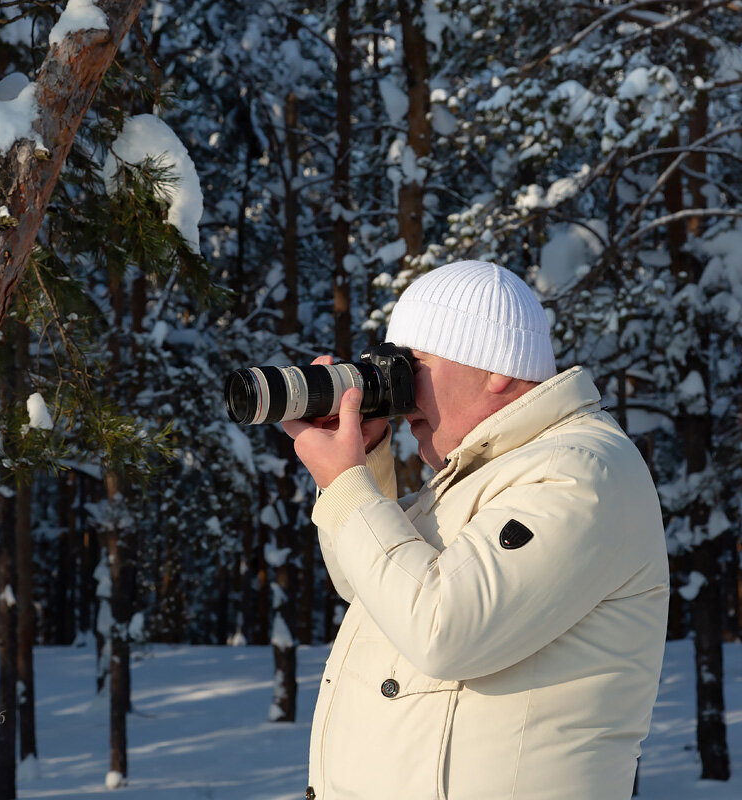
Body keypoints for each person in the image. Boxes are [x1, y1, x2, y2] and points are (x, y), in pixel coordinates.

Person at [282, 260, 669, 800]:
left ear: (497, 370)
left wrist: (348, 485)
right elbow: (369, 586)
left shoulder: (581, 471)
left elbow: (444, 629)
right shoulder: (481, 477)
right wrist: (364, 465)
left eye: (412, 365)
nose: (398, 391)